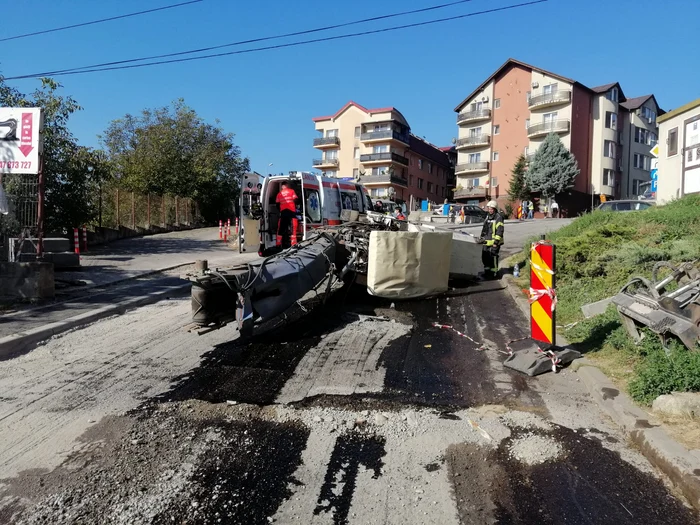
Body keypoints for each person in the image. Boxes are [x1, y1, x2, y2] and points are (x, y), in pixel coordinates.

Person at [479, 200, 504, 280]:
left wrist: (496, 242)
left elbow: (500, 230)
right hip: (487, 240)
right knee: (485, 257)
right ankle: (487, 273)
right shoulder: (487, 216)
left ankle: (494, 274)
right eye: (489, 208)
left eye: (491, 209)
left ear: (495, 209)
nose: (490, 210)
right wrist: (481, 238)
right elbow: (485, 228)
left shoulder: (498, 217)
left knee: (493, 257)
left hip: (494, 242)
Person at [276, 181, 299, 247]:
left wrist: (281, 210)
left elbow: (277, 204)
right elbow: (296, 200)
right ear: (287, 185)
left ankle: (278, 244)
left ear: (282, 186)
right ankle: (293, 244)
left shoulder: (279, 194)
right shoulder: (291, 191)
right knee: (292, 228)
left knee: (281, 228)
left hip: (283, 213)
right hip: (291, 212)